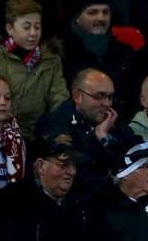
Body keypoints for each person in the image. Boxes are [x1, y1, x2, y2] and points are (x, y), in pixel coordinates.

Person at [0, 0, 68, 141]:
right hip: (1, 135)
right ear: (10, 29)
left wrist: (51, 132)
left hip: (40, 134)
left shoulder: (51, 60)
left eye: (37, 27)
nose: (33, 33)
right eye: (26, 27)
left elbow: (59, 99)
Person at [36, 67, 139, 195]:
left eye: (110, 97)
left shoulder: (111, 119)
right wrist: (100, 138)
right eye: (99, 96)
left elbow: (138, 153)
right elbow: (77, 174)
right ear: (77, 96)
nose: (107, 103)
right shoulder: (54, 123)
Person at [62, 0, 137, 114]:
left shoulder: (125, 51)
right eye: (92, 13)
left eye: (106, 12)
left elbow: (135, 95)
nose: (101, 18)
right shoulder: (63, 52)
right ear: (77, 18)